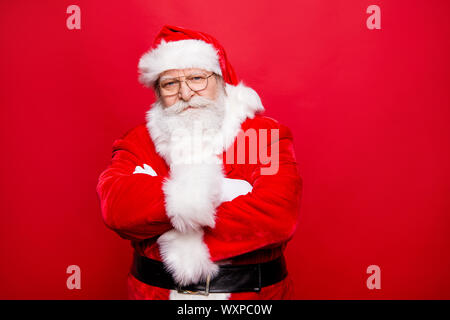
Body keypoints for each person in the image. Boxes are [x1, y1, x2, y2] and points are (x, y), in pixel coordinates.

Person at [96, 25, 303, 300]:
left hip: (249, 297)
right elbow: (118, 209)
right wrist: (214, 195)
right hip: (154, 294)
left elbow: (278, 216)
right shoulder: (137, 141)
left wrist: (165, 208)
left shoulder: (265, 136)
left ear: (220, 80)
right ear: (158, 91)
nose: (185, 93)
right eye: (170, 83)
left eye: (196, 78)